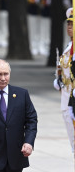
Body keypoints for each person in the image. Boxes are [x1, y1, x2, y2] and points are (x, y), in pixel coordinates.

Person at [53, 8, 74, 152]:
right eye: (68, 24)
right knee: (73, 140)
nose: (69, 27)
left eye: (72, 24)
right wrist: (58, 81)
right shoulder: (69, 46)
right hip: (66, 97)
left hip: (73, 99)